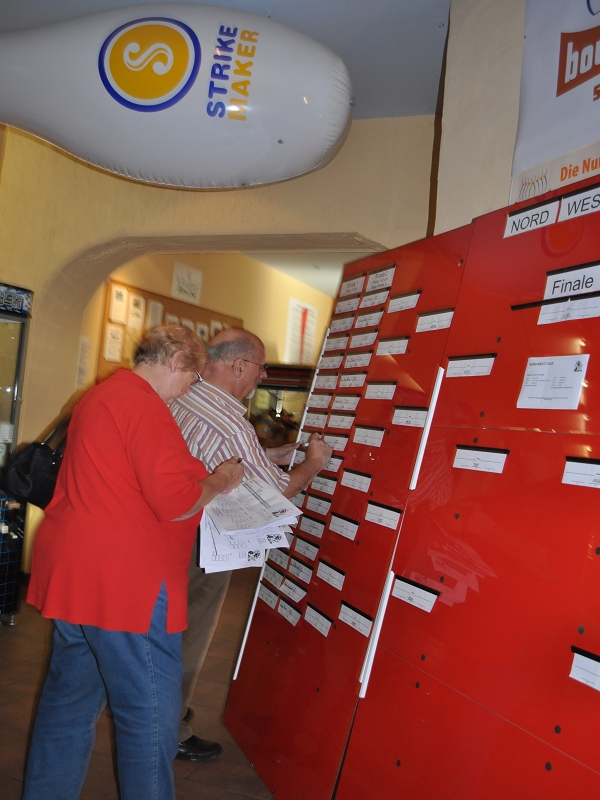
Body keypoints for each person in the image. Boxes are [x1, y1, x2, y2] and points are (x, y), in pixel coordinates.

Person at [22, 325, 244, 800]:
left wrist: (206, 476)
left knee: (67, 708)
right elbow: (176, 501)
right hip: (126, 585)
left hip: (77, 574)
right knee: (150, 715)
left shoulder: (102, 396)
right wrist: (222, 480)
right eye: (191, 379)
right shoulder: (144, 406)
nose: (187, 391)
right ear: (176, 362)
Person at [171, 327, 332, 761]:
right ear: (238, 365)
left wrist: (268, 457)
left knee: (169, 626)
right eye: (261, 368)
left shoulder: (186, 396)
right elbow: (279, 492)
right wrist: (314, 464)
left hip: (169, 534)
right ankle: (171, 728)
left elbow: (214, 456)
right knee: (191, 630)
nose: (263, 376)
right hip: (203, 541)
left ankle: (162, 713)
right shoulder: (230, 420)